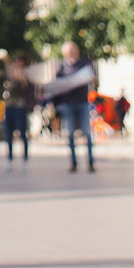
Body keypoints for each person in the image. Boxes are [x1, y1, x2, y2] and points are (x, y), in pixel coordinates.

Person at [46, 41, 96, 172]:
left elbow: (93, 79)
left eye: (73, 51)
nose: (71, 54)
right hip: (68, 103)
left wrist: (90, 79)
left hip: (82, 102)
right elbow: (56, 84)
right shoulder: (62, 67)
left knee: (86, 132)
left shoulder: (84, 64)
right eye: (68, 52)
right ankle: (73, 162)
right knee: (70, 133)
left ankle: (90, 161)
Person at [1, 54, 35, 163]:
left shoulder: (26, 74)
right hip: (9, 106)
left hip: (20, 106)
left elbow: (20, 79)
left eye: (20, 60)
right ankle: (10, 157)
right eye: (16, 60)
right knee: (8, 131)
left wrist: (7, 62)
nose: (18, 63)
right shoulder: (10, 74)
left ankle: (25, 156)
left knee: (22, 131)